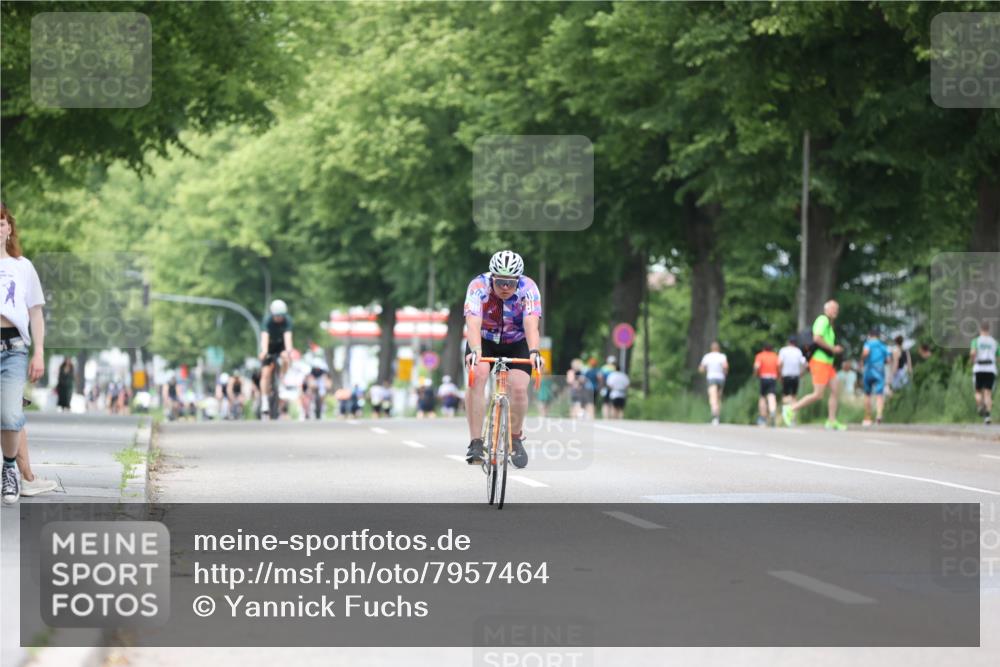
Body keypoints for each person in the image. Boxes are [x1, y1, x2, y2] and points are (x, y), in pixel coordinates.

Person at [463, 250, 544, 468]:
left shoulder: (529, 288)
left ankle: (515, 439)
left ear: (518, 279)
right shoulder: (478, 286)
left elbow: (531, 323)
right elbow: (472, 322)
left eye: (511, 282)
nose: (506, 288)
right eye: (500, 282)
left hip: (517, 341)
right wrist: (476, 349)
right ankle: (476, 442)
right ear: (492, 277)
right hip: (484, 339)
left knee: (518, 388)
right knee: (477, 375)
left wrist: (535, 351)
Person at [1, 201, 47, 505]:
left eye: (2, 222)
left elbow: (35, 313)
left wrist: (39, 352)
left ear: (9, 229)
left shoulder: (22, 267)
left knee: (9, 414)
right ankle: (24, 473)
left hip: (13, 349)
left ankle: (9, 471)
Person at [783, 300, 846, 431]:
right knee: (818, 394)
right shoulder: (822, 320)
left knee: (835, 389)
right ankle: (790, 409)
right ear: (826, 309)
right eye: (833, 308)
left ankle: (831, 420)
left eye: (837, 309)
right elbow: (817, 338)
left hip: (828, 363)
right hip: (819, 362)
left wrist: (833, 349)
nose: (836, 311)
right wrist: (833, 349)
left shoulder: (829, 324)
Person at [259, 299, 293, 416]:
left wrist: (288, 351)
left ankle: (282, 378)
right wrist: (264, 351)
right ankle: (264, 401)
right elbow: (264, 336)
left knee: (286, 357)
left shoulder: (287, 321)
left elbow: (288, 336)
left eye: (281, 316)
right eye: (277, 316)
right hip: (269, 346)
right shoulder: (267, 321)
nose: (279, 318)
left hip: (281, 346)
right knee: (265, 373)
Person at [970, 322, 998, 425]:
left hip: (979, 368)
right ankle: (987, 416)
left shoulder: (976, 341)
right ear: (988, 330)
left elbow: (973, 353)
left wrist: (972, 360)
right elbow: (998, 357)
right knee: (988, 393)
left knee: (978, 391)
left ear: (981, 330)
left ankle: (980, 405)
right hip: (991, 368)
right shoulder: (994, 342)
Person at [861, 328, 890, 426]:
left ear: (870, 335)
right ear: (878, 335)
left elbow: (865, 353)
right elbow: (888, 360)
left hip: (869, 369)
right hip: (880, 370)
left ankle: (868, 417)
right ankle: (879, 415)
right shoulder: (882, 345)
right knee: (879, 394)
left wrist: (862, 360)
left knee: (867, 394)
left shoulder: (868, 343)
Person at [699, 342, 728, 425]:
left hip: (711, 378)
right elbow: (725, 367)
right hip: (721, 378)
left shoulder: (707, 357)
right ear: (718, 348)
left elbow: (701, 368)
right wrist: (724, 374)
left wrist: (705, 371)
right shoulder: (722, 356)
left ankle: (714, 416)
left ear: (711, 348)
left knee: (713, 397)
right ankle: (717, 416)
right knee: (718, 398)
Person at [778, 335, 807, 413]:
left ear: (788, 342)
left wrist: (780, 375)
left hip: (786, 376)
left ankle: (787, 412)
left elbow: (780, 364)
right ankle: (793, 415)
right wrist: (802, 373)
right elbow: (805, 364)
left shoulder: (783, 350)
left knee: (785, 396)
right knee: (794, 396)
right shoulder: (798, 351)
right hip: (796, 376)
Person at [753, 343, 779, 426]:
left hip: (763, 377)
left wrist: (755, 374)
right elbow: (779, 366)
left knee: (762, 397)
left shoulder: (760, 356)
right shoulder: (775, 356)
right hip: (773, 378)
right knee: (772, 396)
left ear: (763, 348)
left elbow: (756, 366)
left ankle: (763, 417)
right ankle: (772, 411)